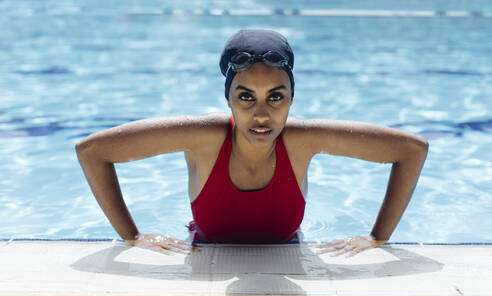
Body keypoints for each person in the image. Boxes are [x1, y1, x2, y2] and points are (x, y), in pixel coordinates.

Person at [76, 29, 428, 257]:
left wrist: (378, 237)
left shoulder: (303, 139)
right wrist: (132, 236)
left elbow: (411, 150)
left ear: (292, 99)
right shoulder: (202, 136)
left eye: (276, 97)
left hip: (288, 252)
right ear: (227, 99)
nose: (261, 115)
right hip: (205, 253)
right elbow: (93, 151)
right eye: (246, 97)